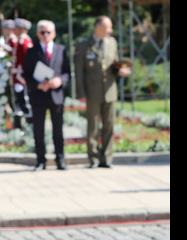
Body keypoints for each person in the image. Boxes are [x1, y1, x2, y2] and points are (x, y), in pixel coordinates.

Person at [75, 16, 132, 168]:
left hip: (110, 91)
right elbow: (79, 71)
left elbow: (115, 64)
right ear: (98, 27)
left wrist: (121, 70)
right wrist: (81, 93)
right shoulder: (84, 45)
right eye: (108, 27)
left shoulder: (111, 43)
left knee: (109, 125)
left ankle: (106, 158)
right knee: (92, 126)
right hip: (92, 91)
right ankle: (93, 158)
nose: (110, 30)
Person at [24, 20, 72, 171]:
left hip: (56, 95)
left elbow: (67, 73)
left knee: (58, 130)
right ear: (38, 34)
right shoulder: (32, 51)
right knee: (38, 130)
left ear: (54, 33)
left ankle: (60, 159)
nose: (45, 35)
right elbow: (27, 75)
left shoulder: (61, 49)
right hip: (39, 95)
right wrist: (38, 85)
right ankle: (40, 160)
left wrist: (60, 81)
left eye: (48, 32)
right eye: (42, 32)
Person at [10, 17, 34, 129]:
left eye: (16, 28)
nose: (14, 29)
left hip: (22, 78)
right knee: (19, 101)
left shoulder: (25, 42)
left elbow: (28, 62)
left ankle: (30, 124)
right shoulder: (19, 40)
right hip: (17, 76)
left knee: (25, 102)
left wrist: (22, 76)